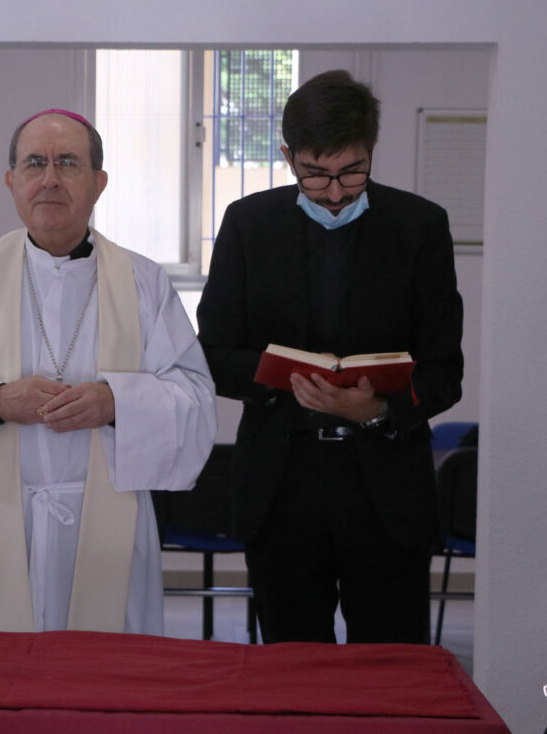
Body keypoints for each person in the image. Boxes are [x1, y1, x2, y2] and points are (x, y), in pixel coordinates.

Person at [0, 109, 216, 635]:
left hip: (110, 526)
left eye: (68, 163)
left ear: (98, 182)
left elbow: (195, 400)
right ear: (11, 181)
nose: (50, 179)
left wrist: (115, 403)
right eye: (35, 164)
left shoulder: (144, 283)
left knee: (102, 675)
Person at [197, 70, 463, 644]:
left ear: (372, 149)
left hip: (387, 487)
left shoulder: (419, 226)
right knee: (293, 666)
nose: (336, 192)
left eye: (351, 171)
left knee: (390, 666)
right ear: (288, 155)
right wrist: (285, 379)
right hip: (281, 482)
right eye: (316, 173)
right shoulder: (249, 224)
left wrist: (377, 410)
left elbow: (445, 370)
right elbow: (212, 354)